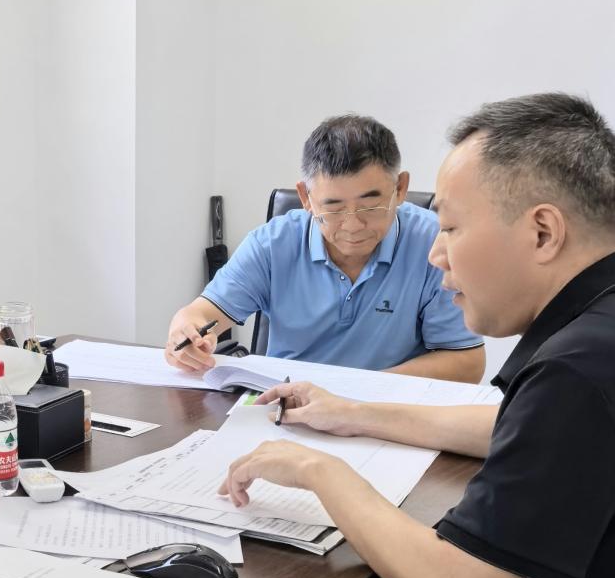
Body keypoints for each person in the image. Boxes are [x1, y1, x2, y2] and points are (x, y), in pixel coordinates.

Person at [222, 93, 615, 578]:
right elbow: (520, 429)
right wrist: (356, 413)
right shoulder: (596, 333)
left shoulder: (579, 372)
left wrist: (318, 470)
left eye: (452, 227)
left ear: (542, 231)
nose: (434, 253)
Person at [166, 115, 484, 382]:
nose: (352, 225)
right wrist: (186, 335)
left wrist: (355, 395)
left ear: (400, 188)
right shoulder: (273, 244)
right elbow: (200, 313)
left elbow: (465, 362)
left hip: (387, 412)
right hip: (286, 407)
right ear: (306, 197)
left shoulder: (435, 244)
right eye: (333, 208)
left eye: (370, 206)